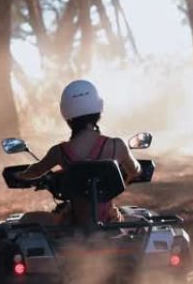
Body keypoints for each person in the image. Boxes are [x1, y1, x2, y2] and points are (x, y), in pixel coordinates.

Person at [16, 80, 142, 225]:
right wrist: (132, 169)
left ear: (66, 114)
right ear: (98, 111)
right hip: (109, 222)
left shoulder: (59, 151)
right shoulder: (117, 146)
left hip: (73, 225)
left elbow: (37, 170)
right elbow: (135, 171)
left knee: (26, 219)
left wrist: (20, 175)